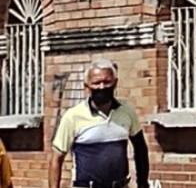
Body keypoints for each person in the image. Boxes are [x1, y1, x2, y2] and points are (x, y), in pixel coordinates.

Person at [48, 59, 150, 188]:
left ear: (115, 83)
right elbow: (56, 158)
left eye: (107, 82)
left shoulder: (127, 111)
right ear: (87, 87)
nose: (102, 87)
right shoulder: (73, 116)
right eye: (96, 83)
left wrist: (143, 183)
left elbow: (140, 148)